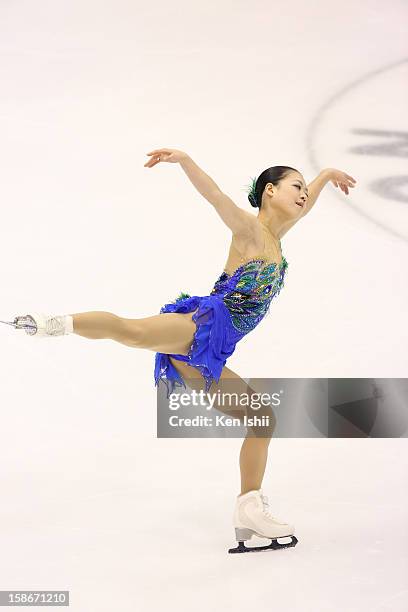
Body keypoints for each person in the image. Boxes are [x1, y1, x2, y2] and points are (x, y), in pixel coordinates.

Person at [8, 148, 356, 552]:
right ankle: (52, 324)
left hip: (211, 354)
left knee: (261, 418)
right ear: (269, 191)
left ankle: (248, 509)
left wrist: (327, 173)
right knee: (133, 331)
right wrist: (186, 160)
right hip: (202, 327)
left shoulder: (277, 239)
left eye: (304, 189)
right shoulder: (249, 230)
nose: (303, 195)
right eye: (296, 187)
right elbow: (216, 197)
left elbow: (306, 204)